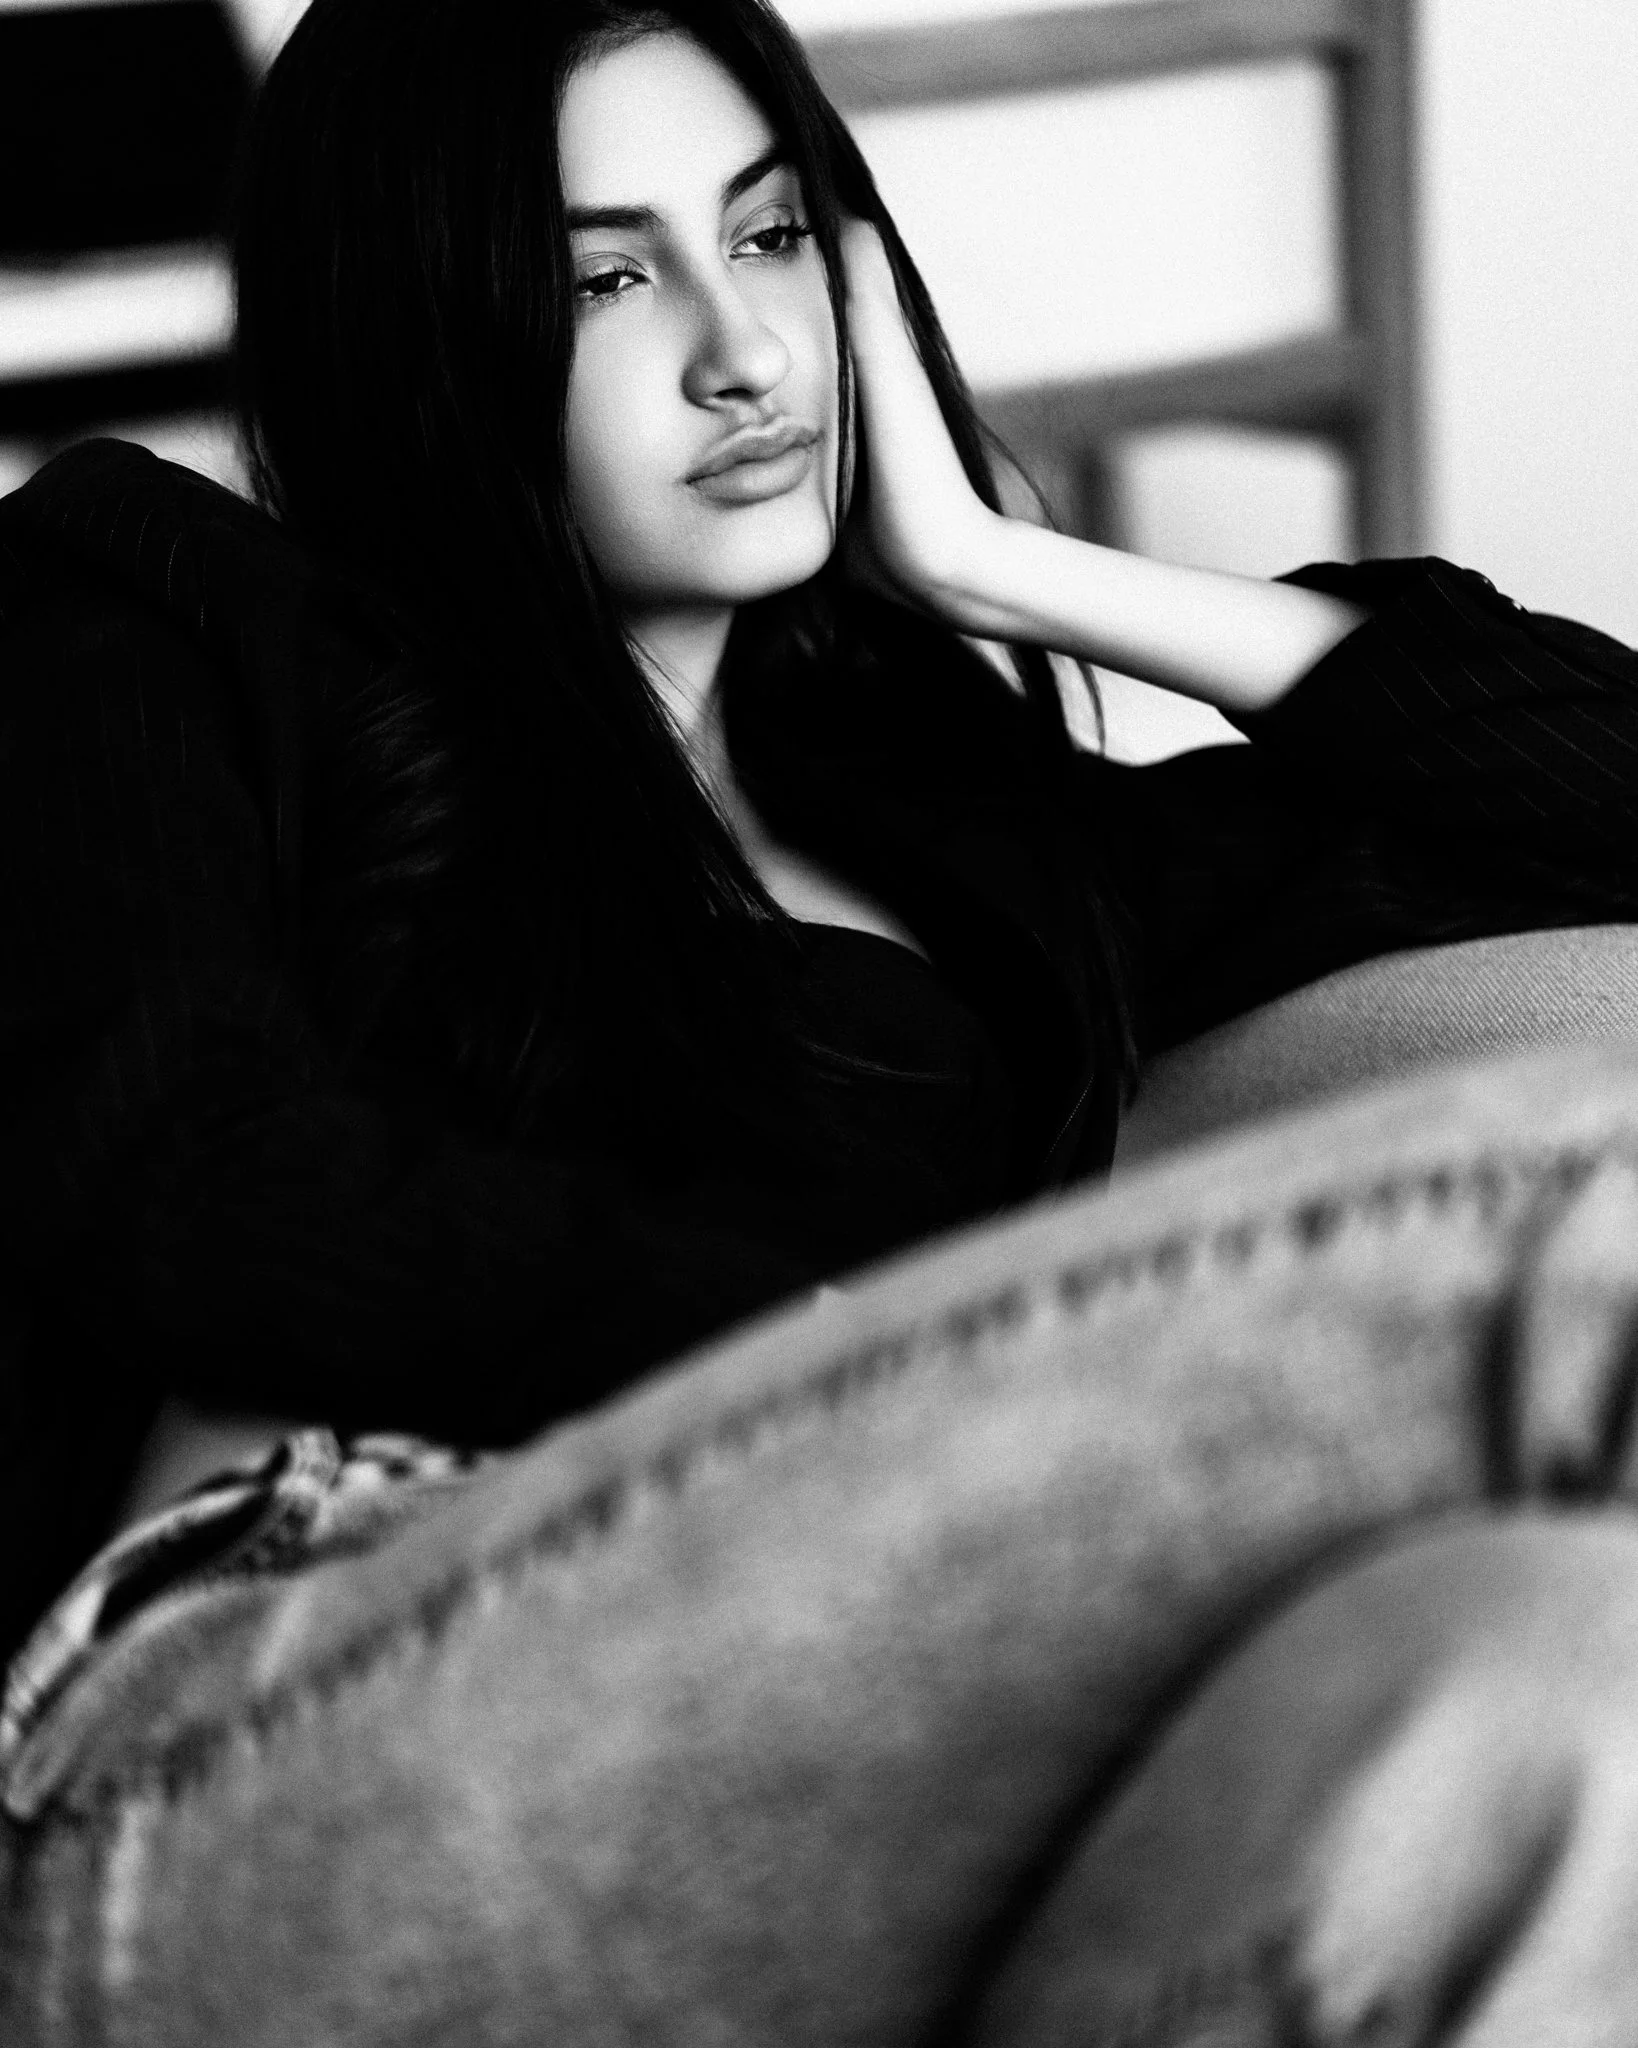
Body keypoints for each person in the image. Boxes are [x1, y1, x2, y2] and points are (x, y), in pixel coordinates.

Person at [3, 0, 1638, 2032]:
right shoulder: (157, 608)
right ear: (418, 330)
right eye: (608, 275)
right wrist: (880, 1375)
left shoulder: (980, 863)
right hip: (234, 1743)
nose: (742, 348)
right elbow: (182, 1171)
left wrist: (1015, 570)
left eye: (772, 239)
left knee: (1564, 1687)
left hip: (811, 1733)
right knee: (1606, 1219)